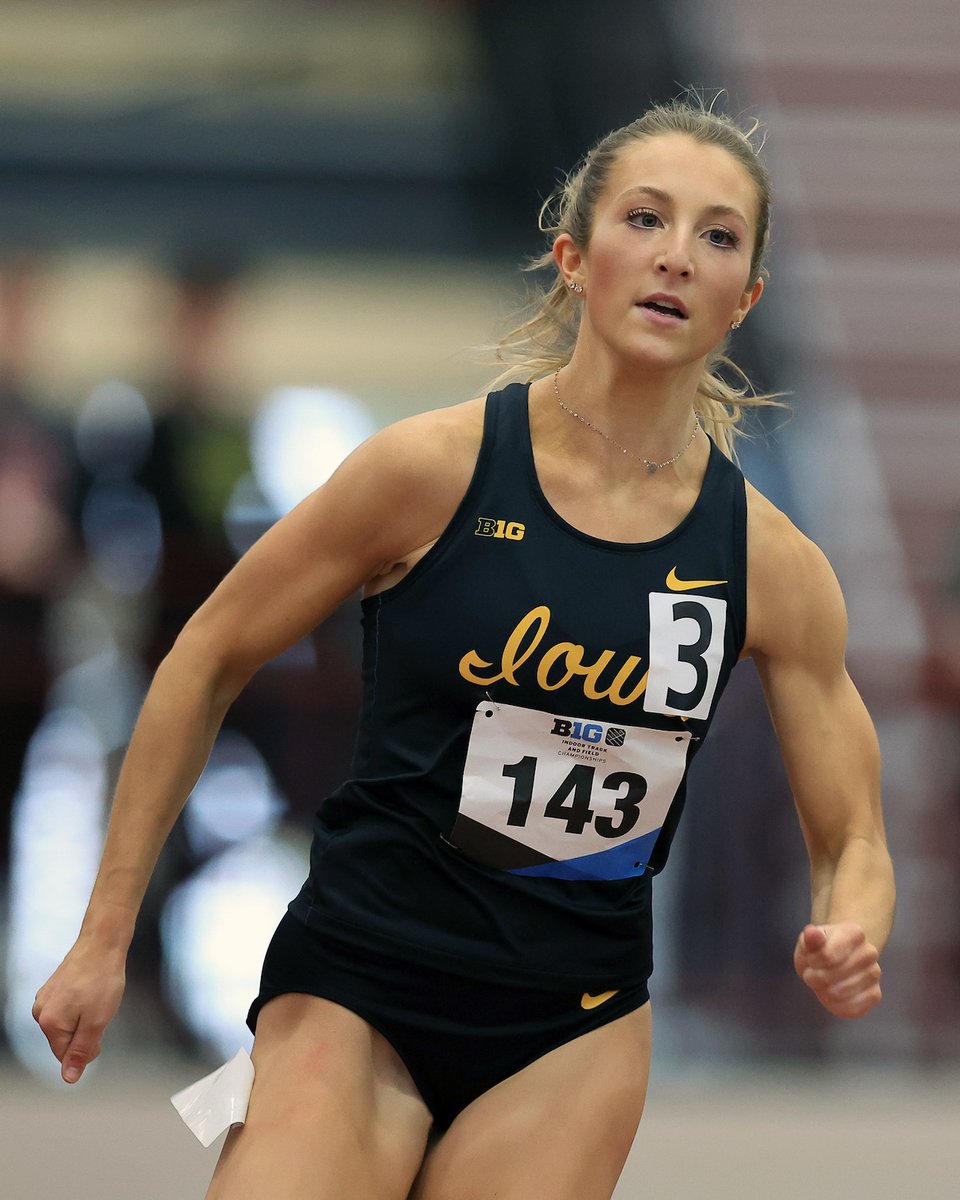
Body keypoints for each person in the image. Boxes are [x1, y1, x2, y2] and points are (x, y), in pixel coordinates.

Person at [33, 95, 895, 1200]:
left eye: (718, 236)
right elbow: (203, 657)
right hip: (359, 979)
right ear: (574, 259)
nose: (678, 257)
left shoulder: (771, 564)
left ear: (747, 299)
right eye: (645, 220)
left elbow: (855, 834)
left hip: (569, 1027)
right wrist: (101, 937)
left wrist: (851, 926)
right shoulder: (427, 471)